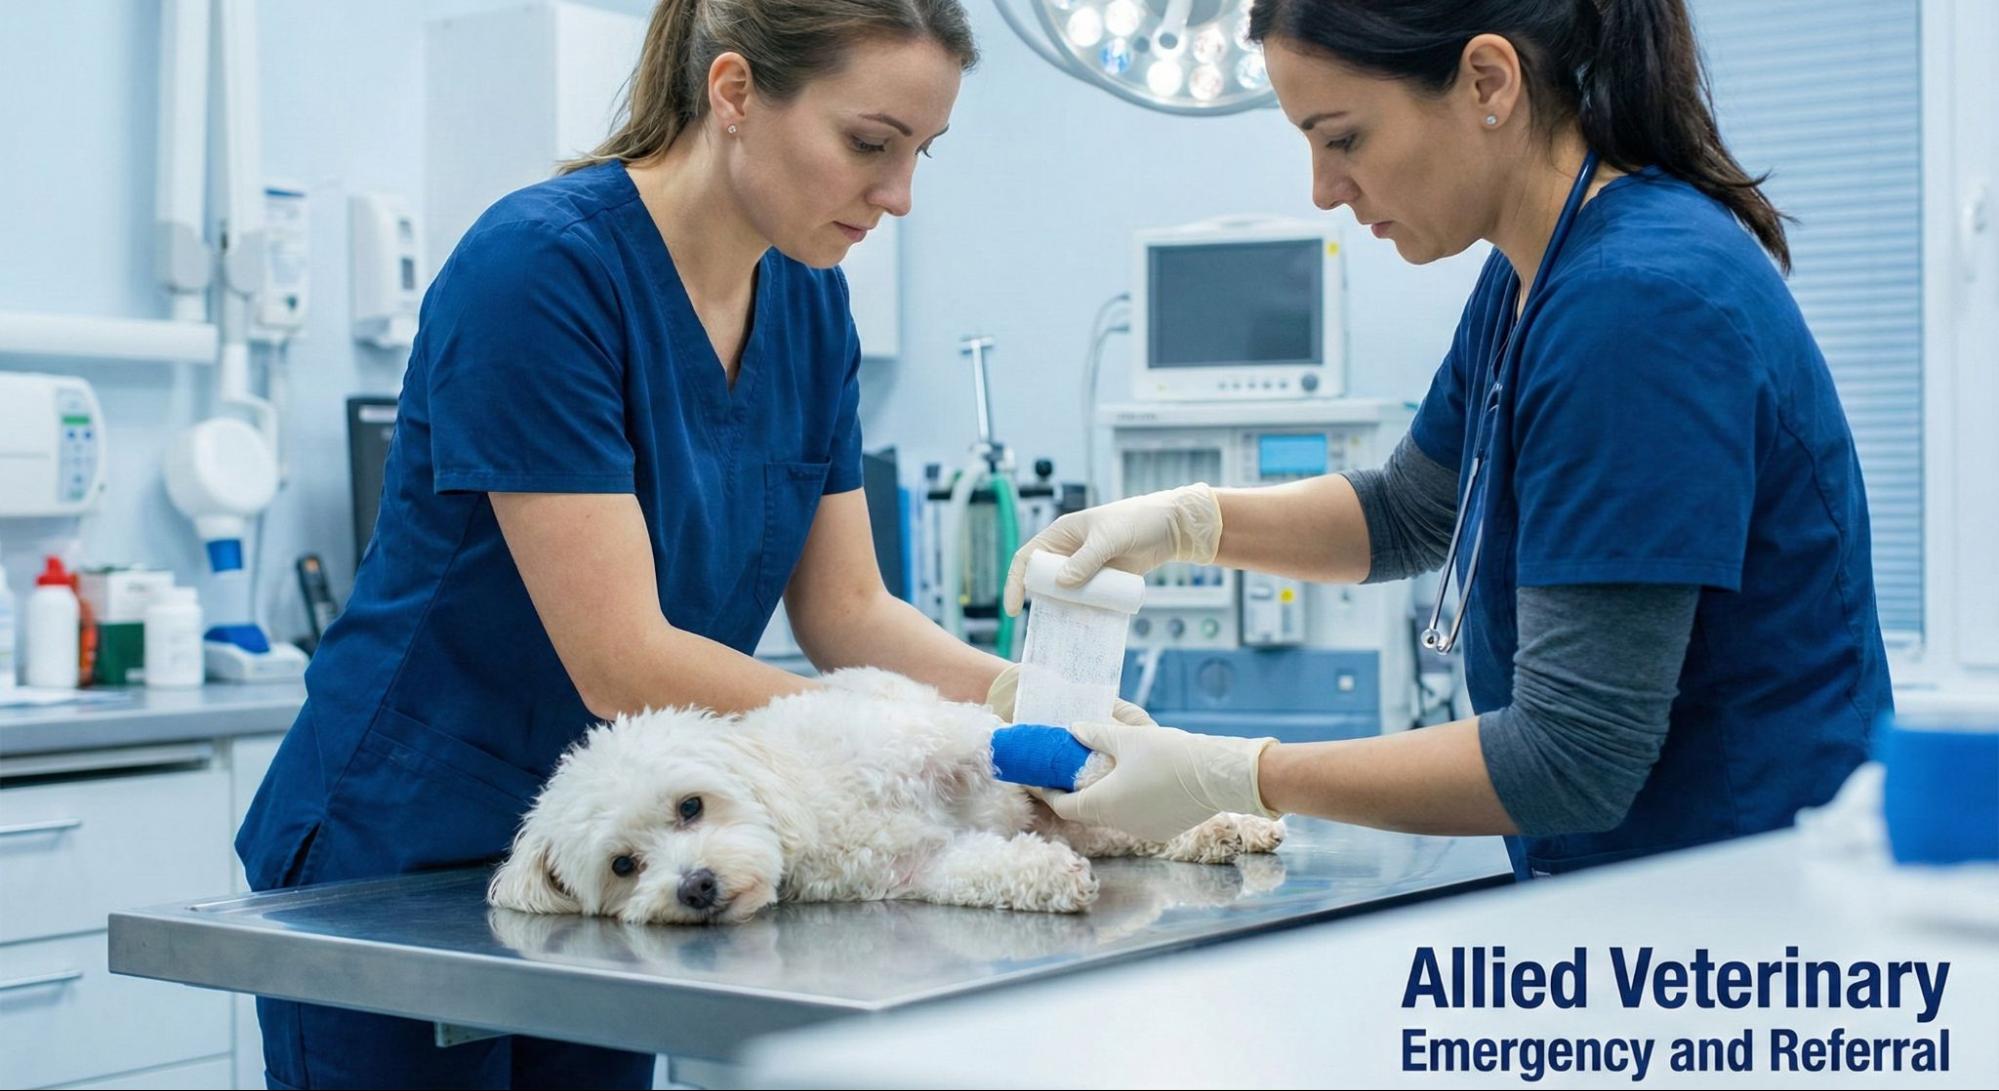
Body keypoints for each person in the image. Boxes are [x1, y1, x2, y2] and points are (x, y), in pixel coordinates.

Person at [235, 2, 1005, 1086]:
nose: (898, 195)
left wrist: (1043, 709)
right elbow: (624, 659)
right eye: (869, 144)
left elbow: (848, 610)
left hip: (630, 863)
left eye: (919, 153)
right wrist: (925, 739)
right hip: (408, 846)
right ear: (733, 93)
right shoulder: (539, 272)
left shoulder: (812, 305)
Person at [1004, 0, 1891, 883]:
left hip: (1733, 911)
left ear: (1486, 82)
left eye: (1342, 138)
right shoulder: (1534, 275)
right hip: (1651, 892)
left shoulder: (1635, 306)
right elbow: (1410, 510)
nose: (1323, 188)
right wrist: (1183, 522)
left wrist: (1237, 776)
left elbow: (1569, 753)